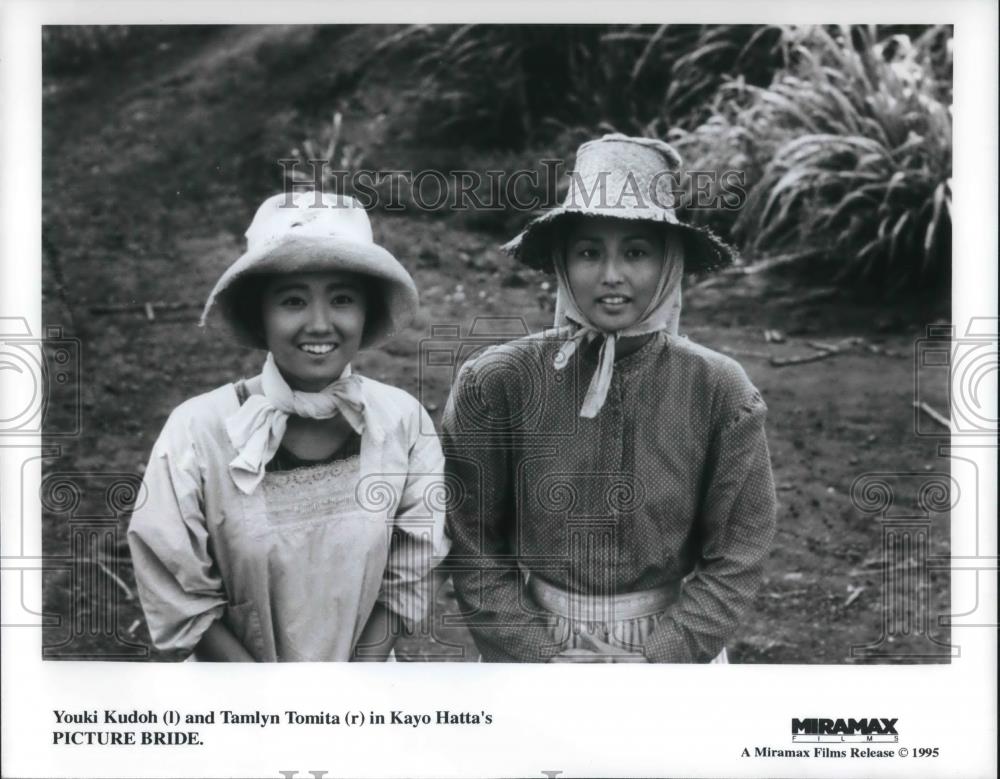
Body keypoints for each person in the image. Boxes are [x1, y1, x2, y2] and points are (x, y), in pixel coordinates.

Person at [442, 134, 777, 663]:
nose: (612, 275)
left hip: (671, 648)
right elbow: (471, 540)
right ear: (561, 260)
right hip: (540, 643)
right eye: (589, 251)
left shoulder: (718, 389)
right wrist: (540, 655)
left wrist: (660, 658)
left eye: (637, 252)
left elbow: (739, 552)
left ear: (669, 263)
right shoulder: (498, 382)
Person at [128, 190, 449, 661]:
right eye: (293, 300)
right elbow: (179, 595)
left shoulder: (402, 421)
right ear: (260, 312)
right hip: (237, 704)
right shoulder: (197, 432)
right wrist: (277, 709)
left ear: (366, 310)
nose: (320, 324)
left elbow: (410, 568)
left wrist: (344, 696)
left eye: (342, 298)